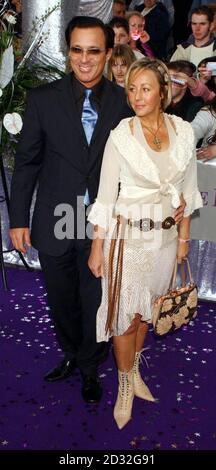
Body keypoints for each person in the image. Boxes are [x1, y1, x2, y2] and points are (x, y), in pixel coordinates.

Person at [9, 16, 133, 404]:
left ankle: (89, 366)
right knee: (61, 298)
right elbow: (28, 162)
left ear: (108, 53)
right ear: (68, 53)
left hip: (103, 224)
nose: (84, 59)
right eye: (76, 50)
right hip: (55, 217)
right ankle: (70, 353)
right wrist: (18, 220)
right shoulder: (43, 99)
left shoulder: (124, 102)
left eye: (93, 50)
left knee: (95, 300)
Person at [87, 57, 202, 428]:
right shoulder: (122, 135)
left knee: (147, 313)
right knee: (125, 318)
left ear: (163, 92)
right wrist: (96, 247)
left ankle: (134, 371)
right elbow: (105, 198)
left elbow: (188, 190)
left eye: (145, 88)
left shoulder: (183, 131)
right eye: (132, 88)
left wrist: (183, 238)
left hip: (167, 240)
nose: (136, 96)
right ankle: (123, 384)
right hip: (128, 241)